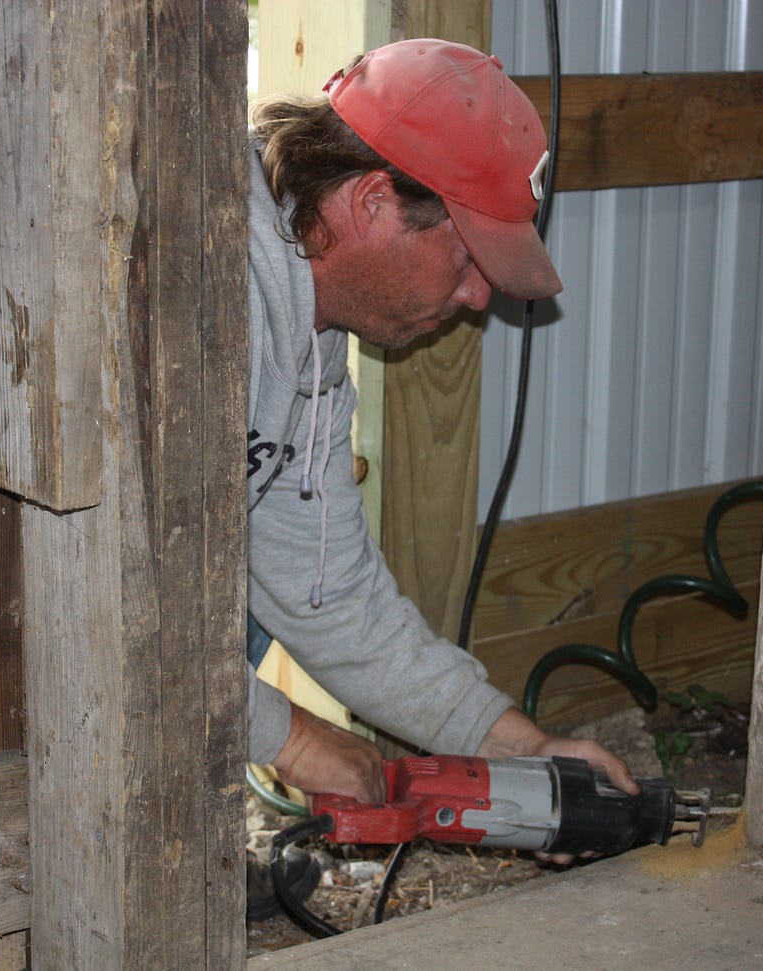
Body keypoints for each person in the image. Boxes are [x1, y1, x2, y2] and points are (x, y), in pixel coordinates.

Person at [244, 39, 636, 819]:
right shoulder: (208, 290)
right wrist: (287, 737)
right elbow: (109, 601)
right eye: (465, 258)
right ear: (371, 203)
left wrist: (515, 746)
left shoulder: (314, 337)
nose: (477, 297)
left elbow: (325, 591)